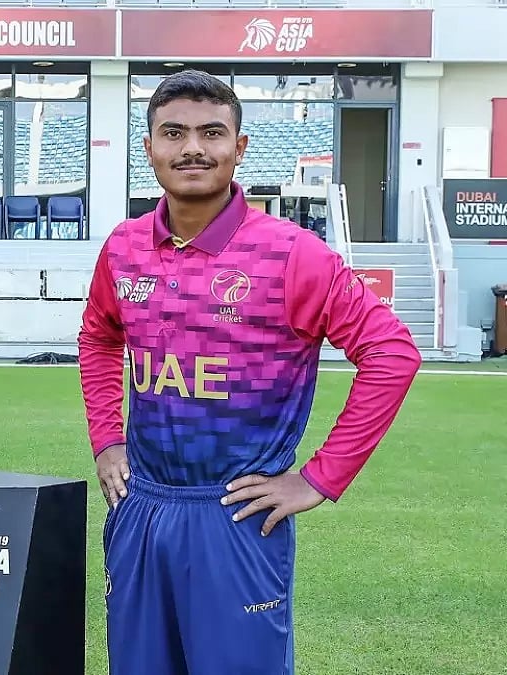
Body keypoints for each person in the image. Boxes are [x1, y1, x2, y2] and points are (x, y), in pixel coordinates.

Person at [77, 69, 422, 675]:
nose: (192, 148)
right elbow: (99, 336)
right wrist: (107, 440)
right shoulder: (123, 247)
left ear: (239, 148)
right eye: (173, 132)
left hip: (234, 514)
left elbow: (391, 352)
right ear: (150, 146)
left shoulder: (292, 254)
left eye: (212, 133)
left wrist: (318, 479)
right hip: (141, 505)